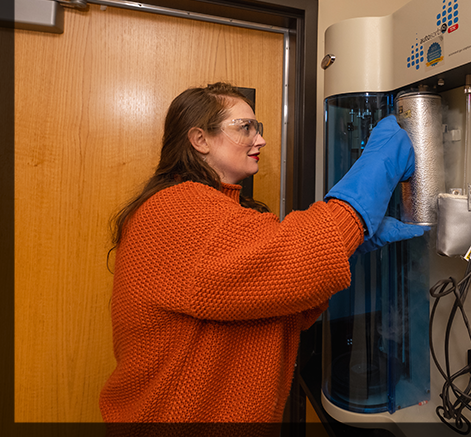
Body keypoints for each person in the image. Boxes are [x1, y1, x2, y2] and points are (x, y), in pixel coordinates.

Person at [99, 82, 424, 428]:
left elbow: (281, 305)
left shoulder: (219, 213)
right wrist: (375, 170)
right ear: (200, 140)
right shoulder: (175, 210)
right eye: (245, 128)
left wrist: (352, 243)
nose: (260, 140)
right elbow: (296, 257)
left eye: (258, 128)